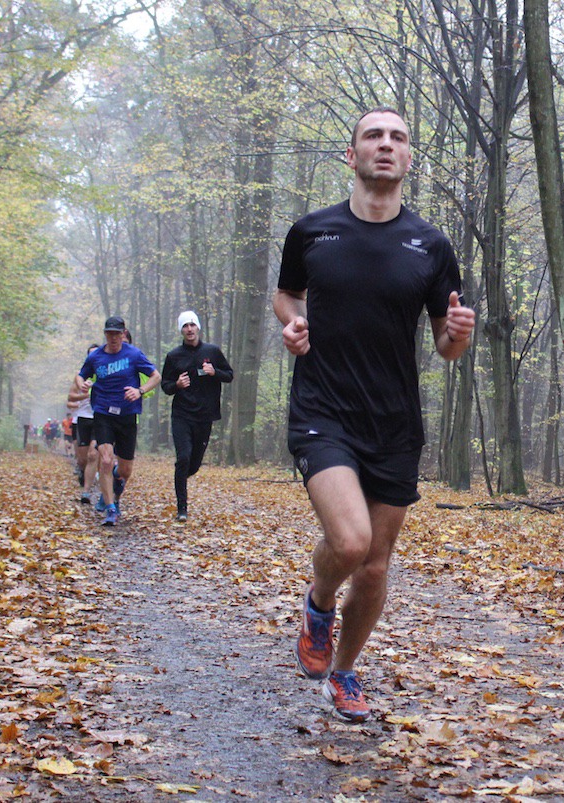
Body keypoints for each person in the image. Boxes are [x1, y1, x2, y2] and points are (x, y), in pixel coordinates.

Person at [274, 107, 476, 723]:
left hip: (394, 422)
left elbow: (444, 343)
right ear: (352, 153)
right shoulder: (312, 232)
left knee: (376, 565)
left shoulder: (431, 245)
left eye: (397, 138)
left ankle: (343, 673)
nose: (386, 145)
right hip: (323, 409)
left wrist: (458, 336)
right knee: (351, 541)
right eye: (373, 136)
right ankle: (318, 603)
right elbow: (286, 295)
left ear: (408, 158)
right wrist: (294, 324)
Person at [74, 316, 161, 526]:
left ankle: (115, 478)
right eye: (109, 334)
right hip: (103, 413)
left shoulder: (134, 354)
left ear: (123, 334)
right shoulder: (96, 356)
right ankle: (110, 509)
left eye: (117, 334)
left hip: (127, 415)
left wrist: (139, 391)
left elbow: (156, 376)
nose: (113, 338)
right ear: (105, 334)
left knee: (125, 470)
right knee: (105, 459)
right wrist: (82, 384)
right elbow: (80, 375)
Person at [161, 311, 234, 522]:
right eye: (185, 326)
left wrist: (214, 372)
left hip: (205, 416)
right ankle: (182, 508)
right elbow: (165, 385)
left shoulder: (212, 351)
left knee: (193, 465)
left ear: (198, 328)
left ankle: (180, 478)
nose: (189, 329)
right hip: (182, 415)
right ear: (181, 330)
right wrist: (177, 385)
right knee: (183, 458)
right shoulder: (174, 356)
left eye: (192, 325)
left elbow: (229, 375)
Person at [68, 344, 100, 506]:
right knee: (82, 459)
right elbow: (71, 397)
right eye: (91, 354)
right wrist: (84, 396)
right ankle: (83, 472)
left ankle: (86, 491)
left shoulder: (105, 372)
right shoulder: (81, 375)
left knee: (93, 454)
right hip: (82, 418)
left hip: (100, 417)